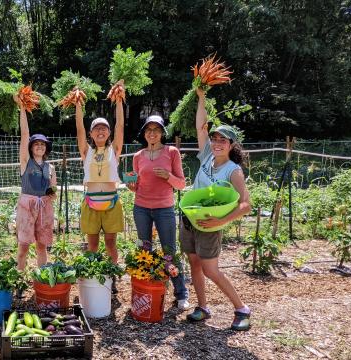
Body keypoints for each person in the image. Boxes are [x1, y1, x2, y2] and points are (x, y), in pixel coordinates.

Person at [182, 87, 252, 331]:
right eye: (215, 139)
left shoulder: (233, 170)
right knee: (194, 263)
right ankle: (203, 307)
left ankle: (242, 308)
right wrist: (201, 97)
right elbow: (201, 124)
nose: (217, 143)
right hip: (190, 216)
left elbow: (246, 205)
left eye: (223, 140)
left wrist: (220, 221)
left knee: (211, 270)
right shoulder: (206, 156)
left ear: (231, 144)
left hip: (211, 223)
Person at [127, 115, 190, 310]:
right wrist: (131, 185)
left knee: (169, 251)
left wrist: (168, 176)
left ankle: (181, 294)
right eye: (148, 130)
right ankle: (147, 287)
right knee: (144, 249)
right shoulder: (138, 156)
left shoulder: (172, 152)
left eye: (156, 129)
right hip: (141, 207)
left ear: (162, 133)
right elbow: (135, 186)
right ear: (144, 134)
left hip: (164, 208)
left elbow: (181, 183)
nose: (152, 133)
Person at [75, 81, 124, 293]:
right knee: (92, 245)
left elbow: (121, 126)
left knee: (111, 244)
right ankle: (92, 275)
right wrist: (77, 104)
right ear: (92, 134)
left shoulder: (115, 150)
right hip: (91, 202)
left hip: (112, 202)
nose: (100, 131)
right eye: (96, 129)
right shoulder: (87, 152)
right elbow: (79, 128)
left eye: (104, 128)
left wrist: (120, 100)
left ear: (109, 132)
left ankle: (112, 277)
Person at [14, 95, 57, 271]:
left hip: (44, 209)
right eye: (36, 144)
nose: (39, 146)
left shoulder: (50, 168)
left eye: (43, 144)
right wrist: (22, 108)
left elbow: (53, 192)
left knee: (41, 246)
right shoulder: (26, 162)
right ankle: (20, 278)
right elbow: (25, 135)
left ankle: (42, 278)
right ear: (31, 148)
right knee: (23, 246)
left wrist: (52, 195)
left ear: (46, 148)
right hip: (27, 207)